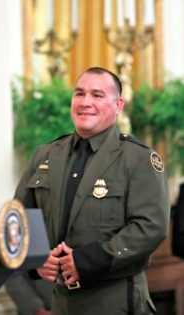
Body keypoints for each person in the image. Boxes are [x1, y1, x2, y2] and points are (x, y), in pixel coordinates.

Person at [13, 66, 170, 314]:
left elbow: (151, 227)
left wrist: (86, 261)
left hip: (115, 301)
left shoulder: (138, 159)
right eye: (79, 94)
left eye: (97, 95)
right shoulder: (45, 155)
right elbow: (19, 220)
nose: (85, 102)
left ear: (118, 106)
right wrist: (36, 260)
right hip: (62, 303)